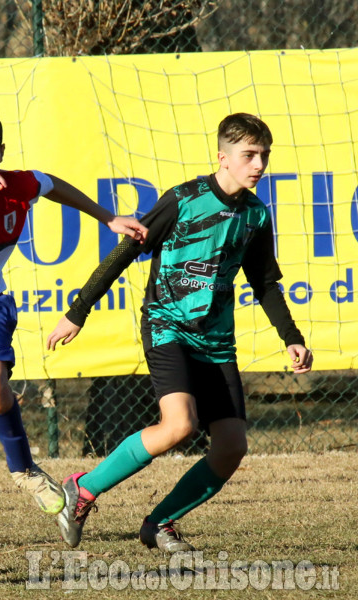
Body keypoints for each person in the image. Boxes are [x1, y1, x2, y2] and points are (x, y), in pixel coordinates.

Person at [47, 113, 313, 552]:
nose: (259, 165)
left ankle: (160, 523)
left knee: (231, 447)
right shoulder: (184, 200)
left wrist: (291, 337)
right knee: (180, 425)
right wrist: (78, 310)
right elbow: (125, 251)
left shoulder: (255, 215)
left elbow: (264, 283)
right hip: (167, 327)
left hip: (215, 341)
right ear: (222, 158)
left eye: (264, 155)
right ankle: (83, 488)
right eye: (249, 155)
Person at [0, 105, 147, 516]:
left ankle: (24, 469)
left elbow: (51, 184)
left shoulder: (17, 185)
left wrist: (107, 218)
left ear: (1, 150)